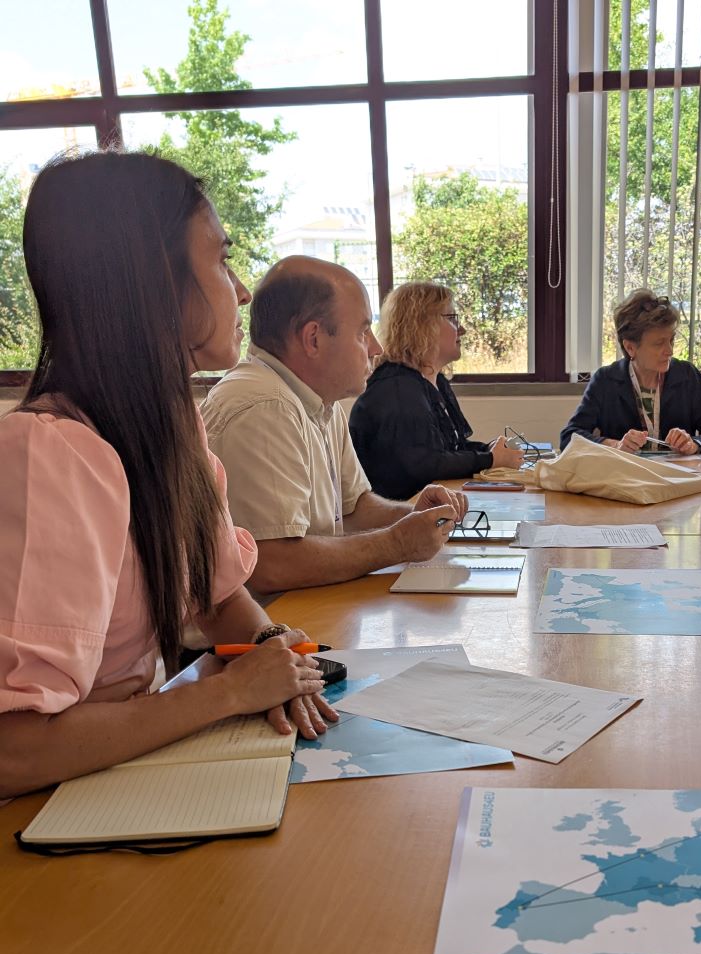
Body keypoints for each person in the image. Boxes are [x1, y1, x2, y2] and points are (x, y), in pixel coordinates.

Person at [0, 151, 337, 800]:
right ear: (154, 279)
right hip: (44, 814)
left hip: (121, 779)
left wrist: (269, 645)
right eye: (221, 260)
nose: (241, 290)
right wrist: (229, 693)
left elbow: (217, 595)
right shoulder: (49, 454)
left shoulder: (172, 427)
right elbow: (13, 749)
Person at [202, 259, 467, 594]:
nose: (377, 348)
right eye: (362, 332)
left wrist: (414, 514)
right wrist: (397, 543)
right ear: (313, 338)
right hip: (274, 620)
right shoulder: (264, 406)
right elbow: (271, 565)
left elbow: (353, 509)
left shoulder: (320, 401)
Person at [348, 282, 524, 501]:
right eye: (452, 319)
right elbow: (425, 464)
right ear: (422, 325)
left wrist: (489, 450)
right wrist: (490, 459)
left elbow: (451, 448)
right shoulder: (397, 390)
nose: (462, 329)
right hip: (399, 514)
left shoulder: (433, 381)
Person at [560, 290, 701, 454]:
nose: (670, 351)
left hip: (677, 473)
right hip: (626, 473)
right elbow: (569, 437)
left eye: (671, 340)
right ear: (630, 347)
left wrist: (694, 443)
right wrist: (615, 445)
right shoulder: (605, 380)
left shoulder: (687, 375)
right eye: (659, 343)